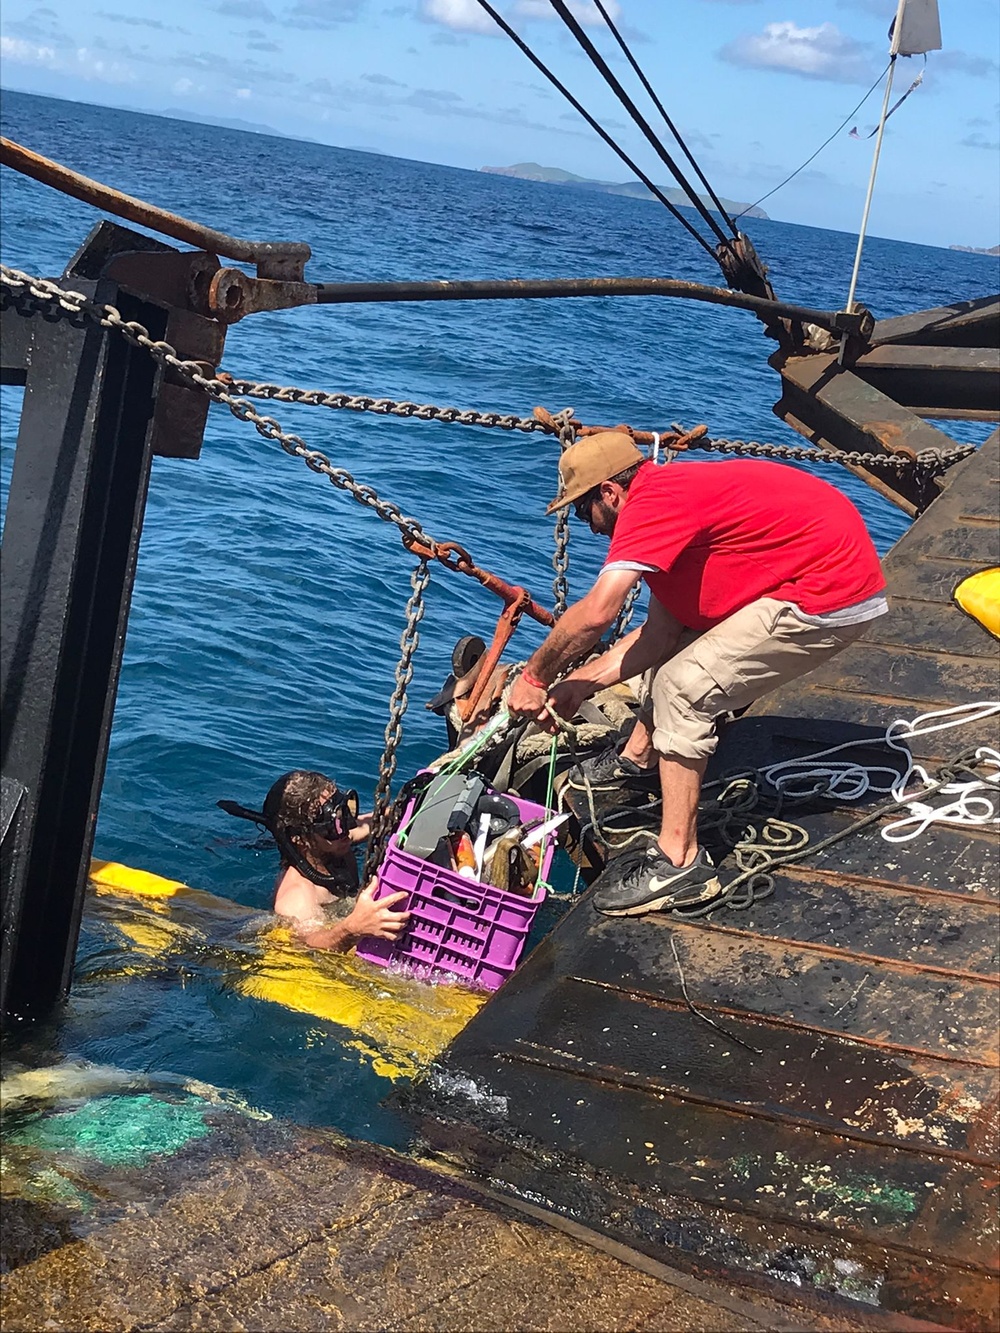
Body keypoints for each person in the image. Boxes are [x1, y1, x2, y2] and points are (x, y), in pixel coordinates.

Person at [507, 431, 888, 917]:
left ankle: (680, 863)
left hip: (829, 598)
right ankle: (638, 757)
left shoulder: (652, 506)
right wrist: (580, 685)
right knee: (675, 658)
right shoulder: (667, 501)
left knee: (682, 688)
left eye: (584, 511)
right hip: (808, 575)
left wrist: (536, 677)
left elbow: (598, 612)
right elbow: (660, 635)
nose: (588, 526)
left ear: (609, 492)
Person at [218, 770, 409, 951]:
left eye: (344, 813)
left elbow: (375, 820)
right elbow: (310, 944)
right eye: (332, 825)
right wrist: (352, 928)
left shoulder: (335, 840)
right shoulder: (297, 896)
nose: (345, 827)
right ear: (300, 838)